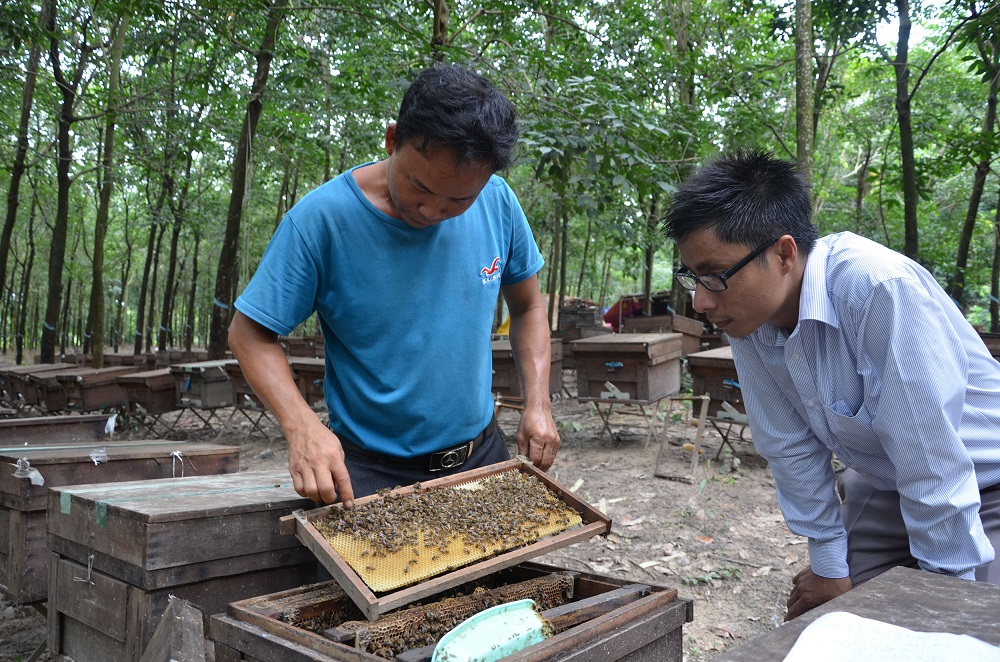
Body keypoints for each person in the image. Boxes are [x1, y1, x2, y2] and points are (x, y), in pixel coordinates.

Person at [662, 147, 1000, 621]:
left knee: (968, 627)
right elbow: (789, 445)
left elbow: (932, 465)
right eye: (692, 278)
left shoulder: (879, 289)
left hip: (984, 483)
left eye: (714, 276)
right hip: (887, 483)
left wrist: (941, 610)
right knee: (820, 612)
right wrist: (828, 565)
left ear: (783, 253)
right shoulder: (749, 318)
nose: (700, 301)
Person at [228, 64, 559, 508]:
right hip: (368, 471)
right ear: (392, 140)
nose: (434, 210)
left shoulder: (498, 202)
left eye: (460, 200)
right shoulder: (320, 221)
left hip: (482, 454)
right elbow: (248, 333)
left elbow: (529, 308)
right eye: (419, 186)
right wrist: (301, 426)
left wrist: (538, 403)